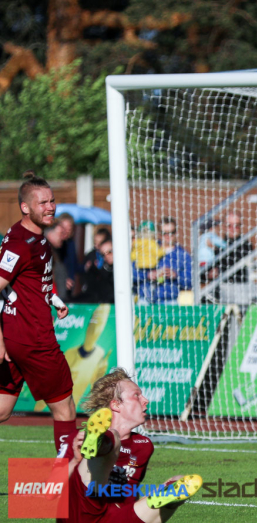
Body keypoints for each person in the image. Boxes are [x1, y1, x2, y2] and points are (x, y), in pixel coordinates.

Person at [0, 172, 74, 454]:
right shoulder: (21, 244)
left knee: (2, 409)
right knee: (65, 409)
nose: (50, 207)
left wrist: (53, 299)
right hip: (33, 339)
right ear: (25, 207)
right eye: (42, 203)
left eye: (52, 201)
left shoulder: (32, 237)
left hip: (18, 337)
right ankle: (67, 477)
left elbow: (26, 281)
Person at [66, 368, 201, 522]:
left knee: (179, 481)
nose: (145, 400)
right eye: (137, 395)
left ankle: (167, 496)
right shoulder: (78, 438)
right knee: (113, 437)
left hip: (118, 518)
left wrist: (148, 499)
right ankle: (100, 443)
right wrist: (76, 460)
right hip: (85, 512)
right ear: (116, 405)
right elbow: (51, 490)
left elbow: (131, 492)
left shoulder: (143, 445)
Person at [136, 217, 193, 305]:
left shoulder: (183, 255)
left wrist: (175, 275)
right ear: (159, 234)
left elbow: (190, 281)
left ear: (176, 233)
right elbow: (131, 273)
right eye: (164, 233)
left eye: (171, 233)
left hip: (169, 301)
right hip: (145, 300)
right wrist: (147, 275)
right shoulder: (147, 249)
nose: (168, 236)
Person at [209, 212, 255, 306]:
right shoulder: (218, 245)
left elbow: (234, 263)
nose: (233, 229)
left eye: (236, 226)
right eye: (229, 226)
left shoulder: (246, 245)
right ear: (224, 227)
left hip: (241, 288)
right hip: (221, 288)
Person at [79, 238, 115, 303]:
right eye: (103, 254)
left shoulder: (126, 269)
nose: (106, 256)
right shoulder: (101, 274)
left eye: (109, 252)